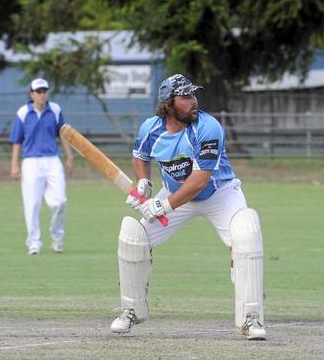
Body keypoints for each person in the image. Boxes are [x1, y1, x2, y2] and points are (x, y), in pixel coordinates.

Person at [109, 74, 266, 340]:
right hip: (173, 194)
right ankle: (130, 309)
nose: (194, 101)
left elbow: (199, 180)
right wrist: (144, 183)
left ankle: (251, 318)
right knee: (133, 238)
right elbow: (140, 156)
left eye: (194, 95)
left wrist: (163, 205)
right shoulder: (151, 128)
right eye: (185, 97)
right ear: (168, 104)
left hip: (219, 193)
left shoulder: (208, 127)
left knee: (245, 235)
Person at [9, 78, 74, 255]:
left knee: (60, 202)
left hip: (52, 160)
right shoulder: (23, 113)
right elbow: (17, 140)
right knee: (32, 204)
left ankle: (57, 236)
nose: (42, 94)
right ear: (31, 94)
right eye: (38, 91)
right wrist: (14, 164)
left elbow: (63, 135)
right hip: (30, 162)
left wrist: (69, 157)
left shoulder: (55, 110)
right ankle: (34, 242)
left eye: (44, 91)